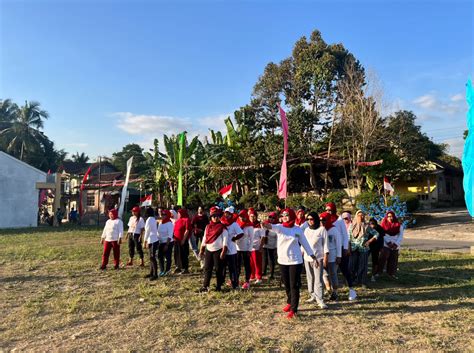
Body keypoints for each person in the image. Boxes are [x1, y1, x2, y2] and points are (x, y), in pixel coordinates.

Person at [262, 208, 317, 319]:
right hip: (282, 261)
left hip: (295, 261)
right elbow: (269, 226)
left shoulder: (298, 230)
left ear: (291, 216)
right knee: (286, 284)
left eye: (287, 215)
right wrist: (264, 223)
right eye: (283, 215)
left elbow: (305, 243)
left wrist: (312, 256)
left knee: (294, 285)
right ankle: (289, 302)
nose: (284, 217)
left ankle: (294, 309)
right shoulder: (280, 227)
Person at [327, 203, 357, 301]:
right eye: (327, 209)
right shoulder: (325, 220)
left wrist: (345, 249)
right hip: (330, 250)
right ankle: (333, 292)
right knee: (331, 272)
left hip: (340, 249)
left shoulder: (339, 221)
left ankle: (352, 290)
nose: (328, 211)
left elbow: (345, 235)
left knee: (345, 270)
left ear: (334, 210)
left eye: (330, 210)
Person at [199, 207, 229, 292]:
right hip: (209, 250)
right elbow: (204, 238)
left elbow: (225, 240)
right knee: (207, 268)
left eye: (217, 216)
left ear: (220, 217)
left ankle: (219, 286)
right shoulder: (208, 227)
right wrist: (202, 249)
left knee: (218, 269)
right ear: (211, 217)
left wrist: (223, 251)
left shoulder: (222, 227)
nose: (215, 218)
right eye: (213, 216)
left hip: (218, 251)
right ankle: (205, 286)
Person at [302, 212, 328, 309]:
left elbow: (325, 246)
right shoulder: (306, 230)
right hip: (307, 258)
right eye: (308, 219)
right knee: (310, 278)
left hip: (318, 258)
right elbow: (304, 243)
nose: (310, 221)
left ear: (316, 219)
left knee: (318, 279)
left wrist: (325, 258)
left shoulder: (322, 230)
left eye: (311, 219)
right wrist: (302, 253)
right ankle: (312, 295)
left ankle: (320, 300)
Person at [348, 210, 379, 287]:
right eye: (359, 215)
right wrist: (348, 249)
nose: (361, 217)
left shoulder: (367, 226)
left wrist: (369, 241)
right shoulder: (351, 226)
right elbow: (348, 238)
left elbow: (376, 233)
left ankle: (362, 282)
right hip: (353, 248)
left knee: (363, 266)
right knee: (352, 265)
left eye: (362, 215)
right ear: (356, 216)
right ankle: (351, 281)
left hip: (363, 249)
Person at [319, 211, 341, 301]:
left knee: (333, 274)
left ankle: (335, 292)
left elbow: (338, 243)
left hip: (332, 256)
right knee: (324, 274)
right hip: (321, 255)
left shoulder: (334, 230)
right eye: (320, 220)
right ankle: (328, 290)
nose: (322, 222)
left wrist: (339, 256)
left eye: (324, 220)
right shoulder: (319, 229)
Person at [221, 206, 243, 290]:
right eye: (225, 213)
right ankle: (222, 282)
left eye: (228, 214)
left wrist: (234, 238)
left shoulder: (234, 224)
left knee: (232, 268)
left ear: (231, 215)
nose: (226, 215)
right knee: (222, 267)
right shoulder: (222, 222)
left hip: (231, 249)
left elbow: (241, 233)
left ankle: (235, 284)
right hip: (223, 248)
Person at [377, 211, 404, 279]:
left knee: (393, 260)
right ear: (386, 217)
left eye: (391, 216)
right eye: (388, 216)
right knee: (382, 258)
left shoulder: (399, 225)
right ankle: (379, 272)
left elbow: (400, 236)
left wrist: (396, 244)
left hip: (395, 245)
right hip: (385, 244)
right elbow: (383, 234)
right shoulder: (383, 224)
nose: (390, 218)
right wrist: (388, 242)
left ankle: (391, 274)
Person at [236, 209, 254, 290]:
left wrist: (250, 250)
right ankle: (236, 280)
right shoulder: (236, 224)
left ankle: (247, 281)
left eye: (243, 217)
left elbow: (252, 238)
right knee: (237, 265)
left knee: (247, 266)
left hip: (246, 249)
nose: (242, 218)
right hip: (237, 248)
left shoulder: (249, 226)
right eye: (240, 217)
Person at [173, 208, 192, 274]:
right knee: (177, 254)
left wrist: (183, 239)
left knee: (183, 254)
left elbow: (187, 230)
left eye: (179, 213)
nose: (178, 214)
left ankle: (185, 268)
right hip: (176, 240)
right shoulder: (178, 220)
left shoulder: (186, 220)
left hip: (182, 240)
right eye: (178, 213)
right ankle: (178, 267)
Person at [248, 208, 264, 284]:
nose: (252, 217)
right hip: (249, 248)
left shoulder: (259, 225)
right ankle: (252, 276)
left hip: (257, 247)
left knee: (257, 263)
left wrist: (261, 247)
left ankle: (259, 277)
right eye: (251, 216)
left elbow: (263, 237)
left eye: (254, 216)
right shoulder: (247, 225)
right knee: (250, 263)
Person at [143, 207, 159, 280]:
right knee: (151, 258)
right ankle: (151, 272)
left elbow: (147, 231)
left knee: (152, 258)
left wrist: (144, 241)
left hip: (152, 240)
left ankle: (155, 274)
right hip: (153, 240)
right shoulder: (153, 219)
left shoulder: (149, 220)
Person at [157, 209, 174, 276]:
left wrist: (167, 245)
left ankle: (167, 270)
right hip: (161, 242)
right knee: (160, 256)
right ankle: (161, 270)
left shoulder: (169, 223)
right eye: (162, 214)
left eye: (164, 214)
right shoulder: (161, 222)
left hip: (168, 243)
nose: (163, 216)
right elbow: (158, 233)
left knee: (168, 256)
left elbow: (170, 235)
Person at [262, 212, 278, 280]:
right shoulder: (265, 224)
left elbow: (278, 238)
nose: (271, 219)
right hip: (264, 245)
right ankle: (263, 272)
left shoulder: (277, 227)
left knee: (271, 260)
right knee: (264, 259)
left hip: (272, 246)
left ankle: (272, 274)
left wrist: (277, 248)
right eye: (270, 217)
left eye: (273, 218)